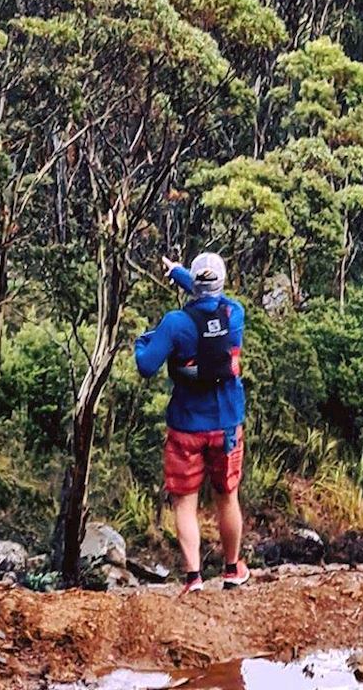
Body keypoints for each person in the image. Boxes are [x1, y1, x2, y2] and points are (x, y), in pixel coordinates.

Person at [134, 250, 250, 593]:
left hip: (186, 424)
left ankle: (194, 578)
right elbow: (212, 299)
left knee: (185, 501)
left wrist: (143, 341)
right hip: (227, 421)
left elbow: (146, 365)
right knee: (227, 496)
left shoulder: (174, 324)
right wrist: (179, 273)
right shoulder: (235, 314)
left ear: (194, 285)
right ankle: (232, 569)